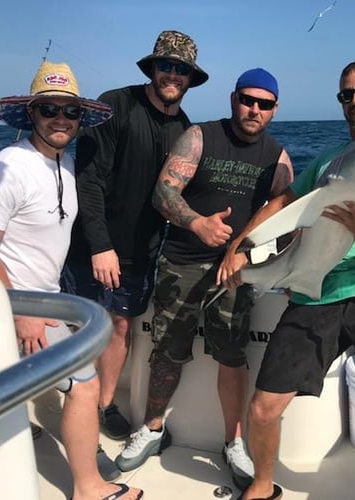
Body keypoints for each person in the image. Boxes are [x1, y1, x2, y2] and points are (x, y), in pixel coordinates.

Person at [218, 59, 355, 500]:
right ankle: (262, 486)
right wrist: (238, 247)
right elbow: (283, 200)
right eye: (347, 94)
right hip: (318, 290)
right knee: (262, 410)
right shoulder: (328, 162)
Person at [0, 61, 143, 500]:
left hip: (44, 300)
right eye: (49, 110)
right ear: (31, 115)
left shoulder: (63, 165)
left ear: (81, 120)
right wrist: (24, 314)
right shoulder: (6, 168)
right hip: (13, 307)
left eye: (70, 112)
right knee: (85, 383)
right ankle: (89, 489)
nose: (60, 119)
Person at [115, 68, 294, 489]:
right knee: (167, 351)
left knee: (232, 356)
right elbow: (163, 193)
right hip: (182, 262)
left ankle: (233, 443)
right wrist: (197, 224)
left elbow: (287, 219)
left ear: (274, 109)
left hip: (238, 272)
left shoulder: (278, 158)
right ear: (233, 99)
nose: (254, 109)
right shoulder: (199, 137)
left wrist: (260, 257)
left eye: (264, 103)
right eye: (247, 100)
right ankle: (154, 427)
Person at [61, 30, 209, 441]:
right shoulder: (114, 105)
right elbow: (87, 181)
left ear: (190, 78)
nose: (173, 75)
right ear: (153, 67)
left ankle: (104, 404)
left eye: (182, 70)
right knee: (81, 326)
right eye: (167, 65)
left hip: (141, 252)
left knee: (122, 327)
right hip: (91, 246)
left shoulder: (185, 128)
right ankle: (75, 398)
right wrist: (100, 244)